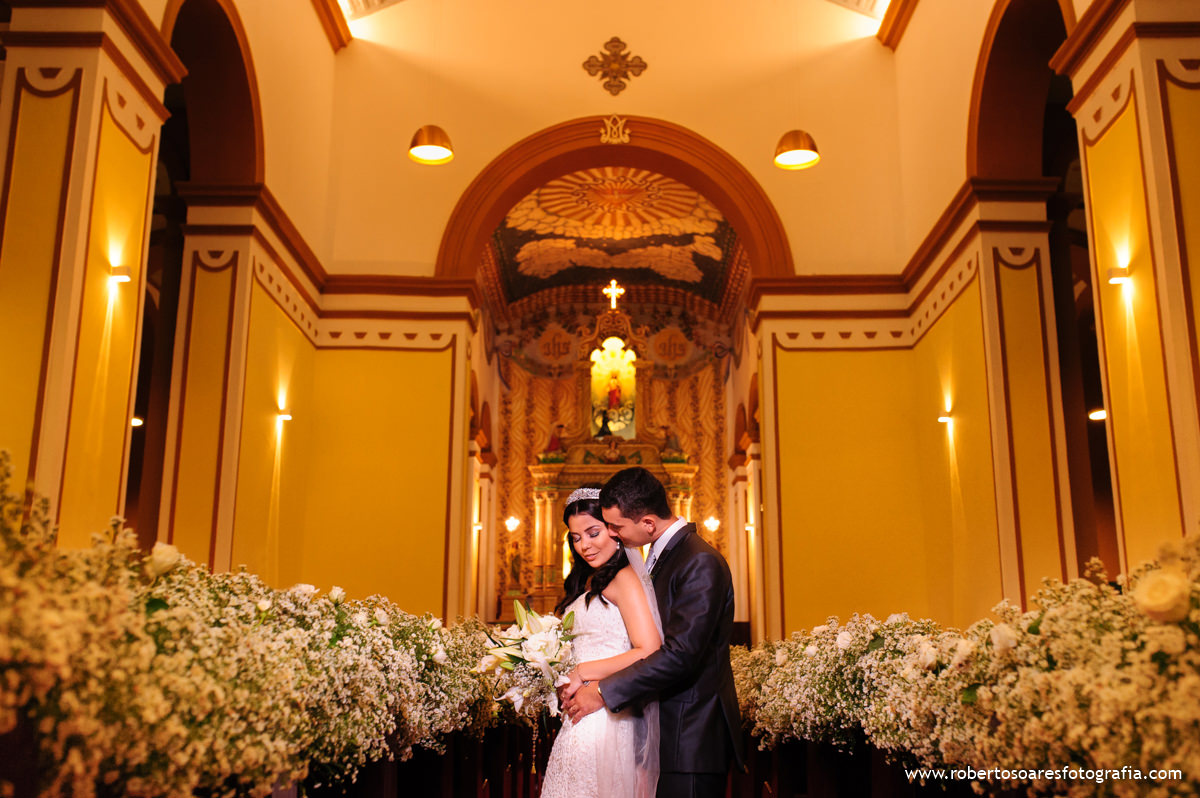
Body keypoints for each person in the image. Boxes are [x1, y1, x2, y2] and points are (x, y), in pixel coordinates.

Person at [562, 467, 743, 798]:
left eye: (615, 527)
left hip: (691, 735)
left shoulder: (698, 561)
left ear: (647, 523)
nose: (614, 535)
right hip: (663, 731)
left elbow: (680, 656)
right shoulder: (662, 559)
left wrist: (601, 691)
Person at [540, 484, 663, 798]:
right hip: (582, 716)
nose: (584, 545)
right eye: (576, 537)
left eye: (593, 533)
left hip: (608, 716)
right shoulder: (591, 581)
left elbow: (649, 650)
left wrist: (582, 671)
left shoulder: (624, 579)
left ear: (613, 530)